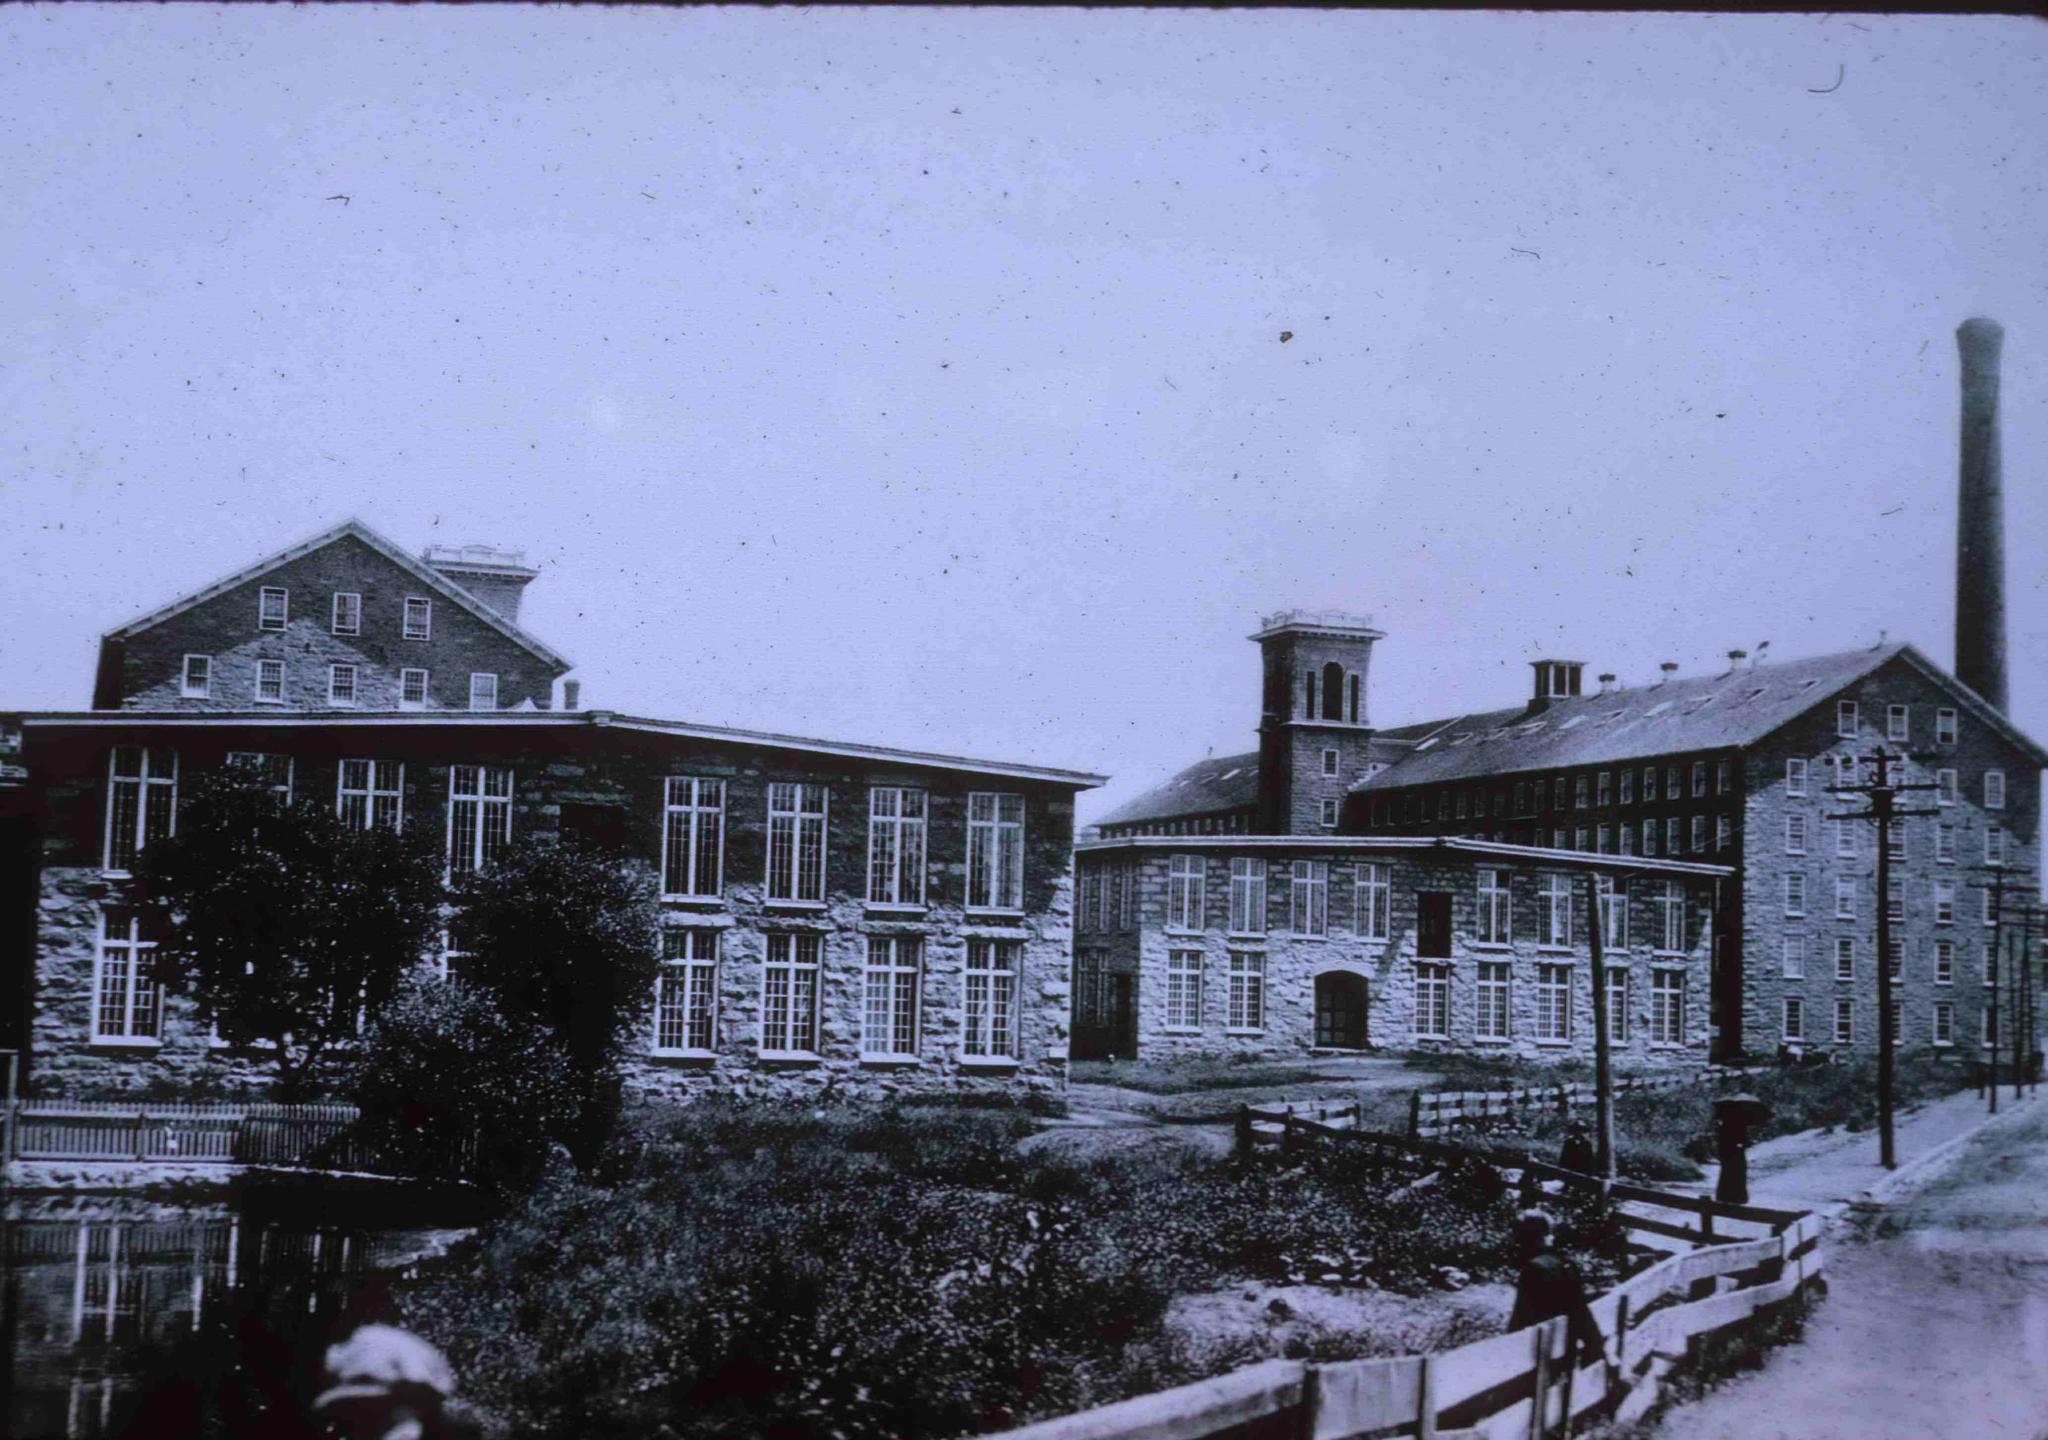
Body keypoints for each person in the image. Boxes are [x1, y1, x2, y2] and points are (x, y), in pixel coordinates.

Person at [1507, 1210, 1604, 1371]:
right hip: (1564, 1355)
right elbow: (1581, 1312)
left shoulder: (1533, 1269)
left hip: (1538, 1358)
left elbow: (1521, 1319)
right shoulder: (1566, 1265)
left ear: (1523, 1239)